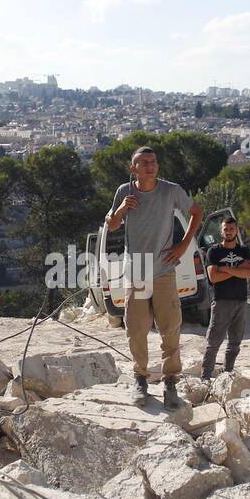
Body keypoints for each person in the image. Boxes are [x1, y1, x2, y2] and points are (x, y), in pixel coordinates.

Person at [106, 146, 202, 408]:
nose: (150, 166)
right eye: (143, 162)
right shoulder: (124, 191)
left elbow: (197, 212)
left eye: (153, 161)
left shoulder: (171, 190)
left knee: (170, 328)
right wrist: (123, 208)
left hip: (162, 272)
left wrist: (182, 246)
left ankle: (171, 382)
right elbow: (112, 225)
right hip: (136, 270)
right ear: (133, 168)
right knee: (136, 328)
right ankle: (140, 379)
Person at [201, 217, 250, 378]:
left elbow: (248, 273)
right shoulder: (214, 251)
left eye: (231, 228)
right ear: (221, 231)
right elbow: (213, 278)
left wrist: (225, 269)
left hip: (241, 301)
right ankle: (206, 377)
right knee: (213, 343)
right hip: (222, 301)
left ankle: (227, 374)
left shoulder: (244, 250)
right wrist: (237, 269)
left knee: (235, 343)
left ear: (237, 230)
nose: (228, 231)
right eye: (225, 229)